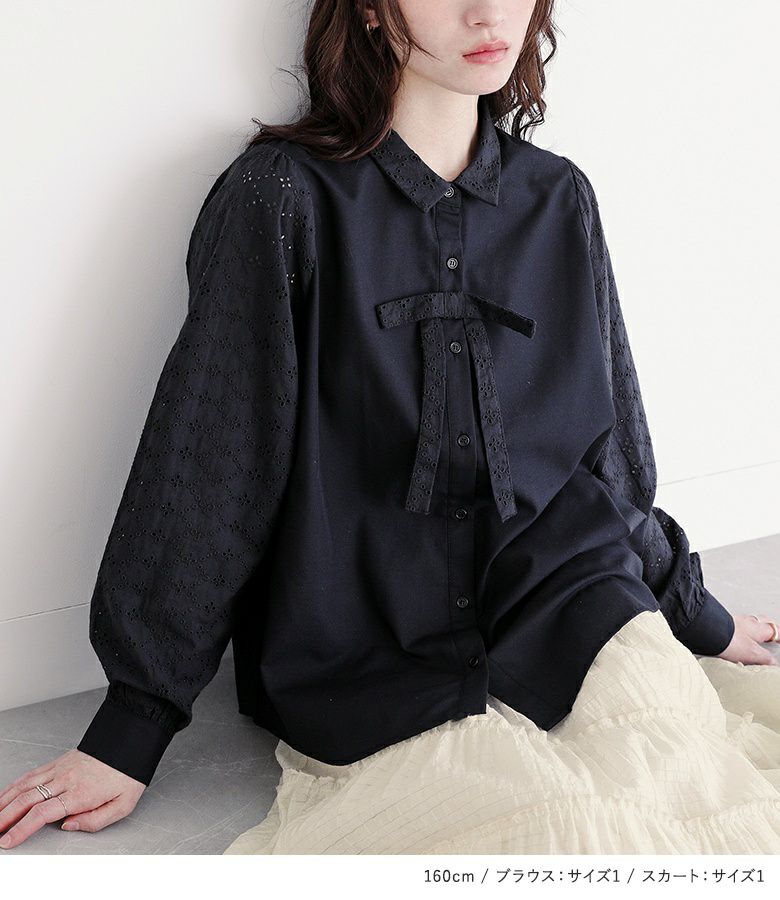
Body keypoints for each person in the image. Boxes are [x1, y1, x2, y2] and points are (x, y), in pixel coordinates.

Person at [1, 0, 779, 853]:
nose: (488, 13)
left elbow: (610, 454)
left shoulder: (560, 197)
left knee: (706, 798)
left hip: (573, 594)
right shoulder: (282, 197)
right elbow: (215, 460)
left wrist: (696, 615)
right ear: (372, 10)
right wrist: (131, 728)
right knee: (546, 836)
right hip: (363, 643)